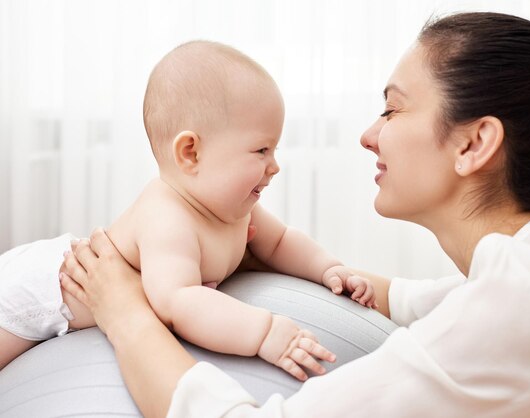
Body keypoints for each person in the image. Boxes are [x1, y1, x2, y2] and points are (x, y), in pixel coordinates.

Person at [60, 11, 530, 417]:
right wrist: (277, 255)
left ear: (473, 143)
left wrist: (124, 311)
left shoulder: (525, 300)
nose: (367, 135)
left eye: (391, 108)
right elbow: (411, 300)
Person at [0, 40, 379, 377]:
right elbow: (179, 303)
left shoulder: (233, 208)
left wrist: (331, 268)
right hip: (40, 294)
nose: (275, 165)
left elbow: (280, 243)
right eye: (262, 150)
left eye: (275, 150)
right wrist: (264, 333)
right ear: (191, 153)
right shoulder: (168, 218)